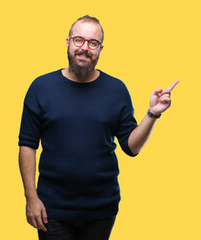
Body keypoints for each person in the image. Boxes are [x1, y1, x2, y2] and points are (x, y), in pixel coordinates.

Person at [18, 15, 178, 240]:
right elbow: (27, 145)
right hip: (51, 210)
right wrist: (31, 198)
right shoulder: (41, 87)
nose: (85, 48)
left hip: (101, 210)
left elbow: (131, 147)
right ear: (68, 42)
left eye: (92, 43)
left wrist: (152, 114)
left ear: (100, 48)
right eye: (79, 40)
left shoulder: (116, 89)